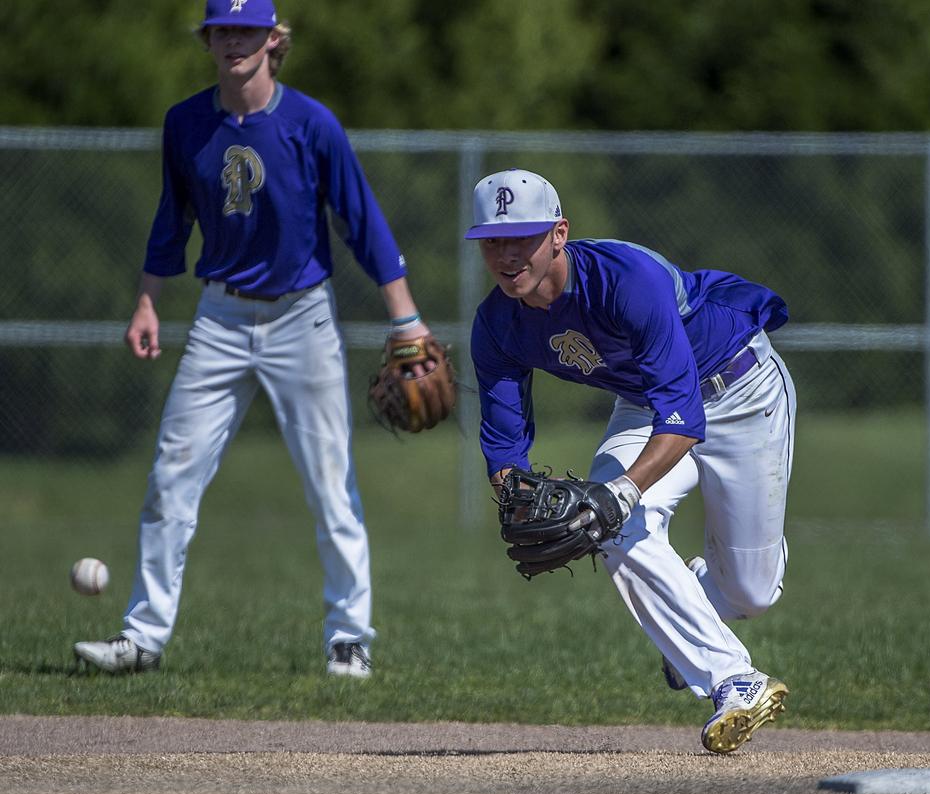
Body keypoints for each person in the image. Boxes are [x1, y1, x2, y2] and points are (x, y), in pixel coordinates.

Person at [74, 0, 433, 678]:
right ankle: (143, 637)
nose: (234, 40)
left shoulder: (310, 123)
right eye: (222, 30)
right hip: (219, 320)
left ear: (274, 40)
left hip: (304, 317)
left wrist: (405, 315)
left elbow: (360, 219)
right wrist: (148, 302)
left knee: (331, 484)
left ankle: (349, 637)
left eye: (247, 29)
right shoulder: (186, 122)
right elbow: (170, 220)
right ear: (208, 41)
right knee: (170, 477)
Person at [465, 169, 797, 753]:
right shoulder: (497, 325)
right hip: (646, 403)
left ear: (559, 234)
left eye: (524, 237)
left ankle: (693, 599)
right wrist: (514, 493)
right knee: (606, 525)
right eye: (494, 240)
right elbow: (505, 440)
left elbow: (683, 418)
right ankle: (731, 679)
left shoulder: (625, 280)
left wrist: (620, 493)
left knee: (751, 593)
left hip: (741, 390)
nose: (507, 254)